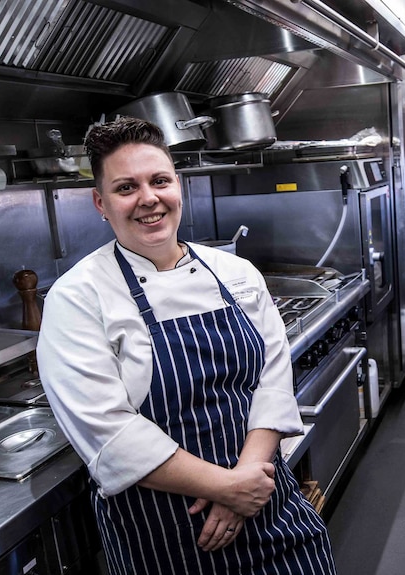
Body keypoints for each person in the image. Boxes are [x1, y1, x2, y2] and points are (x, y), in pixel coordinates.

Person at [36, 116, 336, 574]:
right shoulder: (78, 298)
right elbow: (112, 435)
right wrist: (225, 488)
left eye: (159, 181)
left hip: (267, 504)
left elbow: (272, 383)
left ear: (179, 186)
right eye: (125, 188)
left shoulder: (236, 274)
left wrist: (243, 488)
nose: (148, 199)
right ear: (100, 202)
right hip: (165, 536)